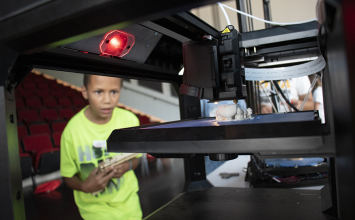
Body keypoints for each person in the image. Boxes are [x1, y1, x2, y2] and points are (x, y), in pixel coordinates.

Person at [60, 74, 142, 220]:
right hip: (94, 212)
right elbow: (67, 176)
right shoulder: (71, 131)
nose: (107, 100)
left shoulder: (130, 120)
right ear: (85, 92)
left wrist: (127, 166)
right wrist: (84, 186)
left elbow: (136, 159)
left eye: (114, 92)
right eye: (98, 92)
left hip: (130, 207)